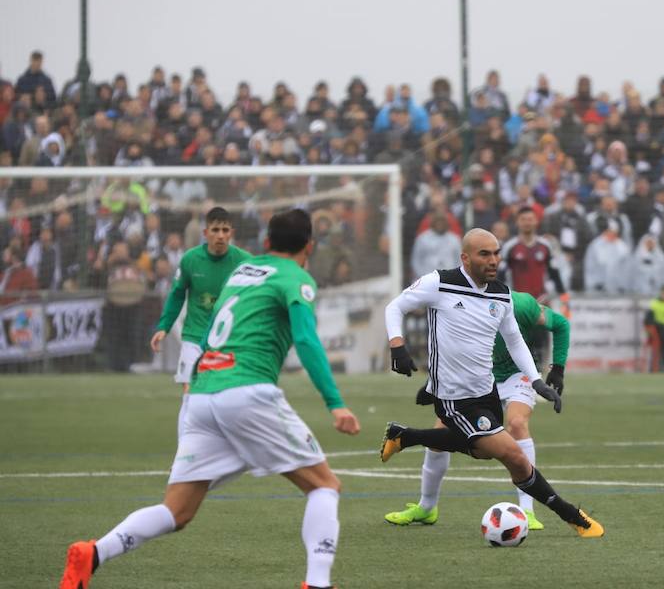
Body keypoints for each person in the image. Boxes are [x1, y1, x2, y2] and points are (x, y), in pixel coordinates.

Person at [59, 209, 361, 589]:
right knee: (324, 485)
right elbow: (305, 339)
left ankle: (93, 553)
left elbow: (206, 331)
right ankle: (317, 584)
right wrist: (335, 403)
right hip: (247, 393)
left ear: (266, 243)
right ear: (309, 247)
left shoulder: (241, 273)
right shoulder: (296, 278)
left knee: (178, 510)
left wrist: (200, 376)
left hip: (202, 395)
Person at [380, 228, 603, 538]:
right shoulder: (440, 283)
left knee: (484, 450)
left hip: (486, 391)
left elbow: (514, 341)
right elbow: (395, 307)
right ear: (466, 257)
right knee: (513, 456)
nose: (494, 260)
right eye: (485, 254)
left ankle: (405, 436)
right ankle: (573, 516)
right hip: (453, 398)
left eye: (497, 253)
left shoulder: (501, 294)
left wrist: (537, 382)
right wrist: (397, 345)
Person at [384, 290, 570, 531]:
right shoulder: (460, 308)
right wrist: (433, 386)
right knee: (439, 434)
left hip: (518, 375)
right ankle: (426, 508)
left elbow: (562, 324)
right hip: (480, 380)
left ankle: (526, 510)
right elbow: (453, 355)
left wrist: (558, 367)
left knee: (516, 424)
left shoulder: (522, 305)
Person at [150, 208, 251, 431]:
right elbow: (177, 295)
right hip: (194, 338)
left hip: (229, 340)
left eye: (225, 230)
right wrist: (164, 326)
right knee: (190, 393)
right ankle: (183, 457)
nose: (221, 235)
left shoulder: (245, 263)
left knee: (230, 398)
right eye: (215, 230)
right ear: (206, 232)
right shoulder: (190, 260)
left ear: (231, 232)